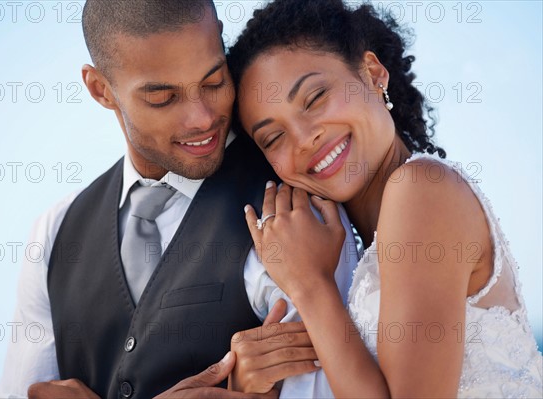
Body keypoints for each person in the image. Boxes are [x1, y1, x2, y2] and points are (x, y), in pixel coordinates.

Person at [0, 1, 361, 398]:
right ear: (101, 89)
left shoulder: (292, 209)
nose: (202, 118)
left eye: (214, 81)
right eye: (163, 98)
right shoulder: (54, 233)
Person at [227, 0, 543, 397]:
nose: (305, 138)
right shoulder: (354, 248)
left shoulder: (422, 190)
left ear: (373, 74)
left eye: (315, 98)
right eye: (273, 137)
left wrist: (310, 285)